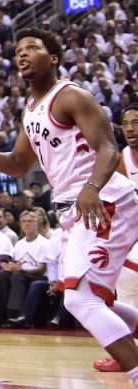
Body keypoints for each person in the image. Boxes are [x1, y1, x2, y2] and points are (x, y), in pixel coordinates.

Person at [0, 28, 138, 384]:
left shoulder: (71, 96)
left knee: (81, 302)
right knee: (94, 304)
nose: (22, 54)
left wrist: (92, 187)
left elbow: (109, 149)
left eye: (33, 48)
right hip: (75, 209)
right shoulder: (30, 110)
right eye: (19, 50)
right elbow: (19, 164)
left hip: (103, 201)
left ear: (52, 58)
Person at [95, 104, 138, 371]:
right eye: (127, 123)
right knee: (124, 279)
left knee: (127, 277)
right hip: (133, 230)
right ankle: (126, 353)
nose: (131, 128)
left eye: (137, 122)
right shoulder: (121, 157)